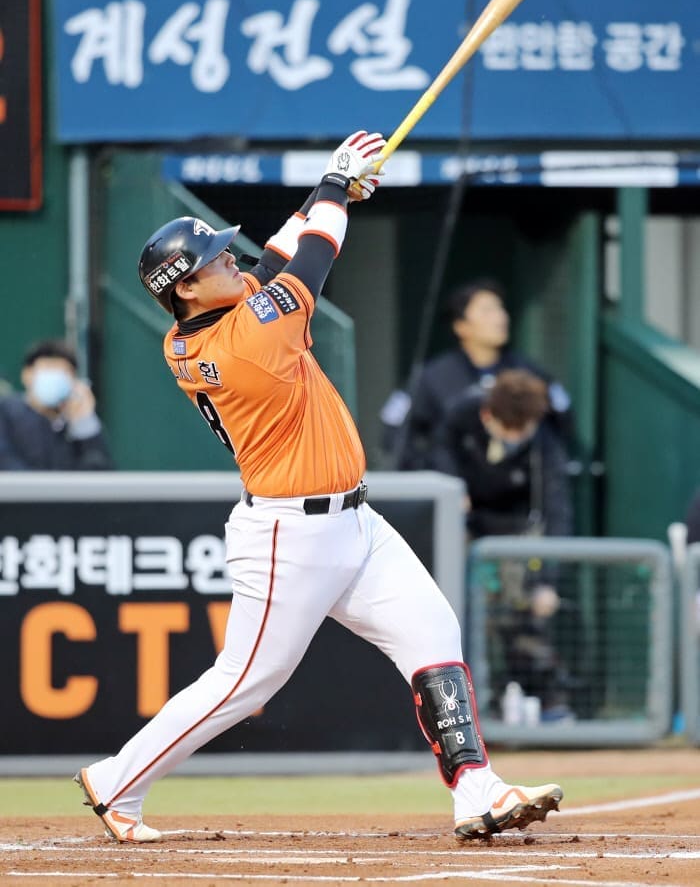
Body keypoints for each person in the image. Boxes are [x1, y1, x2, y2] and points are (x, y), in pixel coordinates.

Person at [73, 130, 562, 844]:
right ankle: (118, 780)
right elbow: (310, 261)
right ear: (185, 288)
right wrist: (334, 187)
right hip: (289, 533)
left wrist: (332, 192)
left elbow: (275, 257)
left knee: (432, 630)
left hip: (354, 521)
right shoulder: (247, 343)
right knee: (246, 680)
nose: (233, 259)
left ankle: (476, 789)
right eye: (214, 260)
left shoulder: (213, 321)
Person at [434, 369, 575, 721]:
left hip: (516, 536)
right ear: (488, 416)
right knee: (459, 620)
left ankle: (546, 703)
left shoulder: (545, 442)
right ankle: (467, 709)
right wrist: (454, 490)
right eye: (507, 429)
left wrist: (547, 583)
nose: (514, 437)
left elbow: (557, 509)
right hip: (464, 530)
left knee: (522, 620)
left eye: (521, 430)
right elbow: (436, 454)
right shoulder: (462, 416)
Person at [381, 278, 572, 470]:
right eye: (487, 311)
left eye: (500, 309)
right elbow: (394, 427)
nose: (501, 317)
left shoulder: (527, 372)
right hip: (457, 481)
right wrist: (432, 470)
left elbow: (562, 414)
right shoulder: (433, 376)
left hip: (516, 480)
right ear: (461, 326)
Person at [0, 339, 113, 470]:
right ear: (26, 374)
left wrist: (84, 424)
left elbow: (101, 472)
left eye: (65, 371)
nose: (56, 376)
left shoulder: (76, 423)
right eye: (49, 368)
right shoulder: (6, 412)